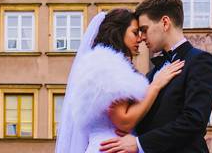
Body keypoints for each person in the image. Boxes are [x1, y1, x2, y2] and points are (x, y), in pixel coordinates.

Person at [99, 0, 212, 153]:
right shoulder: (152, 74)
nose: (141, 38)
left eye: (144, 29)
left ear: (165, 22)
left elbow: (193, 122)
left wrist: (139, 143)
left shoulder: (200, 61)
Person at [55, 8, 185, 153]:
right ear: (119, 32)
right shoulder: (111, 67)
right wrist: (155, 85)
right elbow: (124, 121)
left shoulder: (99, 63)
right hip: (112, 147)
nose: (140, 39)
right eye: (135, 33)